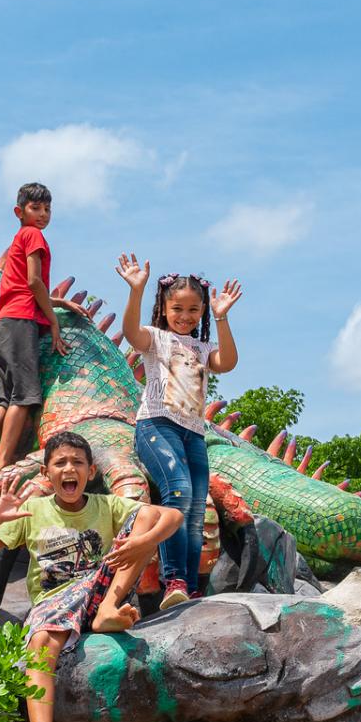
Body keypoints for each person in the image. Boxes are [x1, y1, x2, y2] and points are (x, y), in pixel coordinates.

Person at [0, 431, 182, 722]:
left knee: (146, 519)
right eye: (60, 463)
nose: (69, 468)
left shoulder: (106, 506)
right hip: (54, 601)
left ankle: (109, 609)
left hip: (99, 586)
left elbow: (172, 516)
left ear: (91, 471)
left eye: (77, 462)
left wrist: (141, 543)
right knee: (40, 643)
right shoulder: (32, 510)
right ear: (47, 475)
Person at [116, 256, 242, 610]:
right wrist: (136, 290)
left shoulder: (203, 349)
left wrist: (221, 316)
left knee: (197, 512)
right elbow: (130, 332)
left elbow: (229, 362)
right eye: (177, 308)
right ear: (164, 308)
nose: (185, 316)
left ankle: (187, 585)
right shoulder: (156, 339)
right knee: (179, 491)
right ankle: (173, 578)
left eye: (193, 309)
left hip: (193, 434)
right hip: (156, 425)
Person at [0, 182, 86, 483]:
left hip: (5, 324)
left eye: (47, 209)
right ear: (19, 211)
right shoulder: (33, 235)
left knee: (6, 400)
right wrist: (53, 320)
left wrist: (58, 301)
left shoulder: (19, 238)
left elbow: (20, 288)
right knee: (25, 399)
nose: (42, 215)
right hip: (21, 322)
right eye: (35, 208)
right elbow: (33, 282)